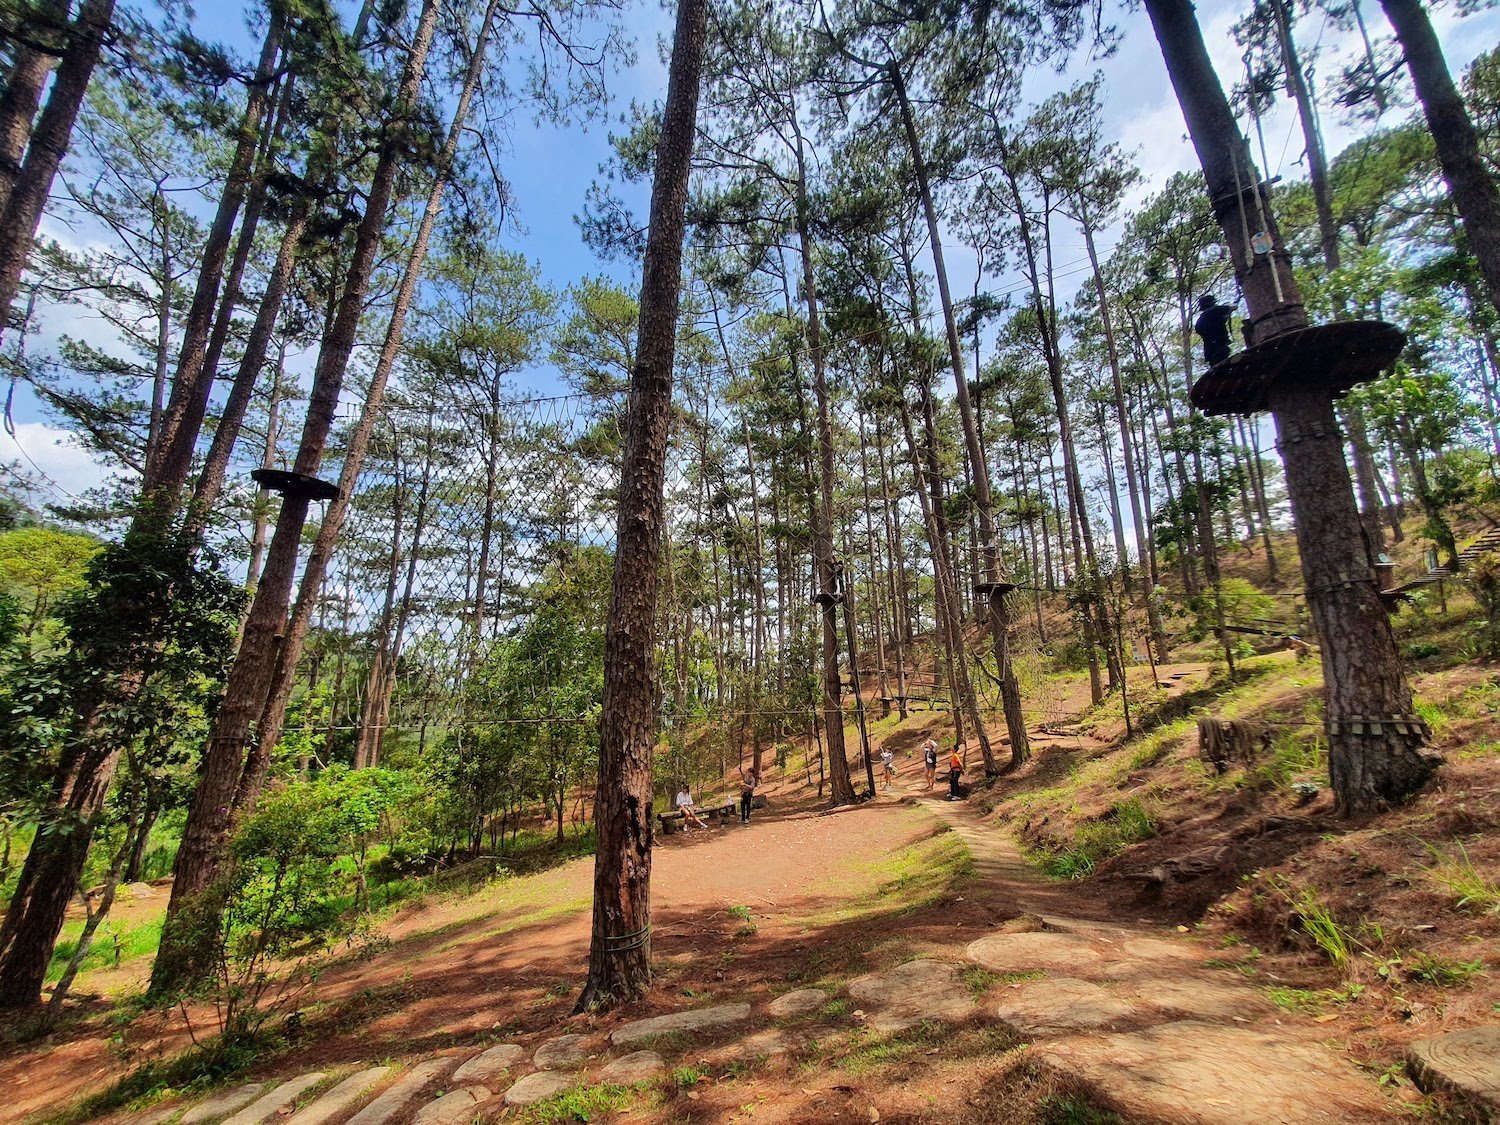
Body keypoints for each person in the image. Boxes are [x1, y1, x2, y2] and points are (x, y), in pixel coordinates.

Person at [1194, 294, 1234, 367]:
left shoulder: (1200, 320)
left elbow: (1199, 330)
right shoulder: (1216, 311)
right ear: (1212, 304)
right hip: (1220, 346)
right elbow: (1233, 307)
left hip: (1209, 350)